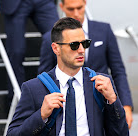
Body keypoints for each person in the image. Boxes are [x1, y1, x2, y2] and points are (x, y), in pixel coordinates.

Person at [7, 17, 128, 136]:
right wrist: (41, 115)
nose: (81, 50)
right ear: (56, 48)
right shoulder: (33, 88)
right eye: (74, 45)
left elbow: (121, 133)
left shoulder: (101, 84)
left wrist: (113, 101)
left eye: (85, 43)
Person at [38, 0, 133, 129]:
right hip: (65, 107)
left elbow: (118, 70)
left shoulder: (104, 30)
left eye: (79, 8)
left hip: (101, 102)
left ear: (85, 4)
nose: (76, 13)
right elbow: (44, 76)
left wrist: (125, 105)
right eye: (71, 9)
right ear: (62, 7)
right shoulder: (50, 37)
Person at [0, 0, 59, 105]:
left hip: (44, 2)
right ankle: (18, 104)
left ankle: (48, 93)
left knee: (59, 40)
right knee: (16, 52)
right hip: (14, 4)